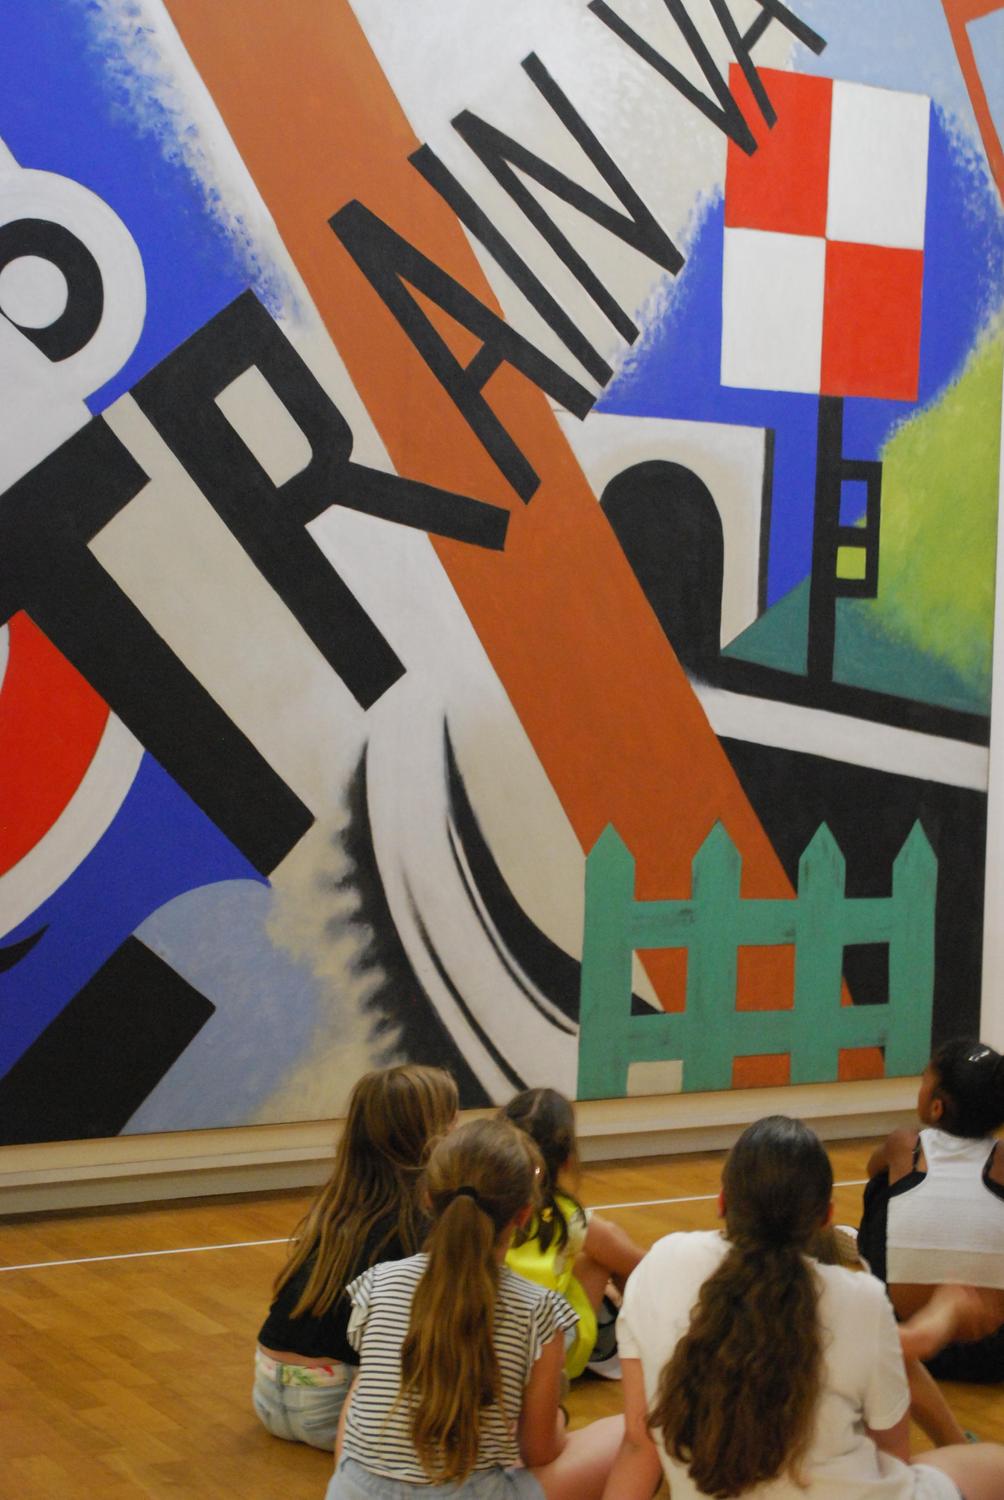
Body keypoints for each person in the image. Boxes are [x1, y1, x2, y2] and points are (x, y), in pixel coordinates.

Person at [601, 1114, 1004, 1500]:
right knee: (990, 1465)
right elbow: (893, 1460)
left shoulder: (661, 1263)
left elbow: (639, 1445)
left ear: (722, 1202)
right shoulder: (859, 1299)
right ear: (826, 1216)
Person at [328, 1116, 623, 1500]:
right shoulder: (539, 1309)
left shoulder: (378, 1283)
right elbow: (540, 1451)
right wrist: (556, 1423)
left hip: (356, 1491)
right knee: (632, 1431)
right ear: (523, 1215)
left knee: (358, 1391)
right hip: (474, 1492)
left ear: (427, 1199)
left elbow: (363, 1403)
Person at [253, 1064, 458, 1450]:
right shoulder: (420, 1220)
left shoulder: (339, 1204)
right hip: (332, 1408)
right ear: (432, 1134)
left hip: (266, 1391)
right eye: (451, 1120)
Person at [858, 1039, 1004, 1442]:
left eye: (924, 1081)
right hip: (993, 1356)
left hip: (905, 1343)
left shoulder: (905, 1144)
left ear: (936, 1107)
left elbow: (873, 1170)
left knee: (879, 1189)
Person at [501, 1087, 644, 1378]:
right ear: (566, 1160)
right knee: (599, 1258)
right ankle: (642, 1345)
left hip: (484, 1339)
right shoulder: (569, 1217)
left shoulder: (477, 1198)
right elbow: (645, 1267)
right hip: (545, 1353)